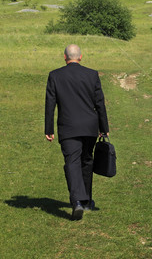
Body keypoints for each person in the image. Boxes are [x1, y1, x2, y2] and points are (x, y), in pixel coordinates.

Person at [45, 44, 109, 220]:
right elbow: (100, 104)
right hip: (90, 127)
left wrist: (48, 129)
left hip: (68, 127)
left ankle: (78, 202)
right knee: (87, 161)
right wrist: (104, 129)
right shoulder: (92, 74)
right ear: (81, 57)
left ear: (65, 57)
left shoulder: (55, 75)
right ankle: (86, 201)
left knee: (72, 162)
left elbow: (50, 104)